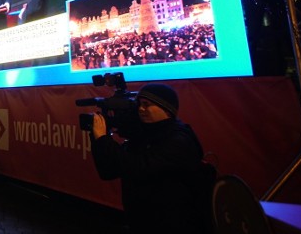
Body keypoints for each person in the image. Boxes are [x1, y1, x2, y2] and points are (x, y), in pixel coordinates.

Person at [90, 83, 212, 233]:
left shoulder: (178, 140)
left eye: (147, 105)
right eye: (139, 105)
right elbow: (108, 170)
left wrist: (103, 139)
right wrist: (98, 138)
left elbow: (137, 167)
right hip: (144, 222)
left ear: (166, 108)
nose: (141, 109)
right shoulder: (145, 135)